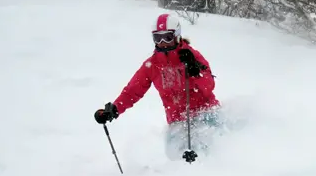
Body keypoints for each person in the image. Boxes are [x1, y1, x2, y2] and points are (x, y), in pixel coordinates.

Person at [94, 13, 222, 161]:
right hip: (178, 121)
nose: (162, 42)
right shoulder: (152, 65)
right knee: (177, 157)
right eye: (157, 38)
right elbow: (133, 90)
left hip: (206, 113)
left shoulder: (191, 55)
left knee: (208, 152)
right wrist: (114, 109)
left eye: (167, 37)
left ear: (176, 35)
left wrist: (195, 70)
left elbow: (209, 85)